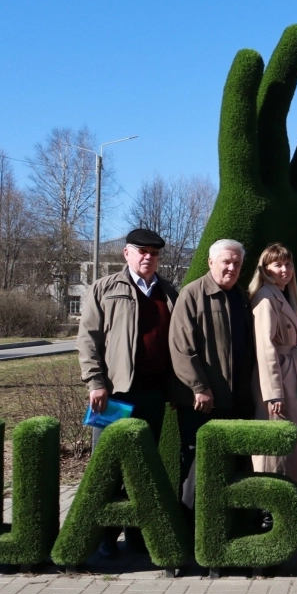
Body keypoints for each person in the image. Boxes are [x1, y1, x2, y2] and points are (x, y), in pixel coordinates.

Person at [76, 228, 180, 558]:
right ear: (127, 254)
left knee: (143, 468)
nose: (148, 257)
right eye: (142, 251)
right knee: (107, 467)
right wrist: (95, 383)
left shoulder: (167, 292)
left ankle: (137, 534)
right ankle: (103, 536)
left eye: (154, 253)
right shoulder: (105, 289)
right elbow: (88, 340)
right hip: (115, 395)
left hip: (154, 395)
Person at [168, 238, 254, 507]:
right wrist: (199, 387)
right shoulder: (192, 294)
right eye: (226, 261)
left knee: (229, 466)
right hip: (201, 402)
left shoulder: (241, 297)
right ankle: (192, 525)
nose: (231, 267)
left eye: (237, 263)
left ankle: (222, 526)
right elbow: (180, 347)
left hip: (235, 401)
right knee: (196, 464)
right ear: (210, 262)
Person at [250, 243, 297, 491]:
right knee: (275, 441)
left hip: (290, 372)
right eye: (277, 264)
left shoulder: (281, 295)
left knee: (290, 441)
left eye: (288, 264)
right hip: (279, 376)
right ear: (265, 268)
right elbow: (265, 347)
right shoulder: (266, 297)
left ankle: (288, 497)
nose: (285, 269)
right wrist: (273, 392)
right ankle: (271, 504)